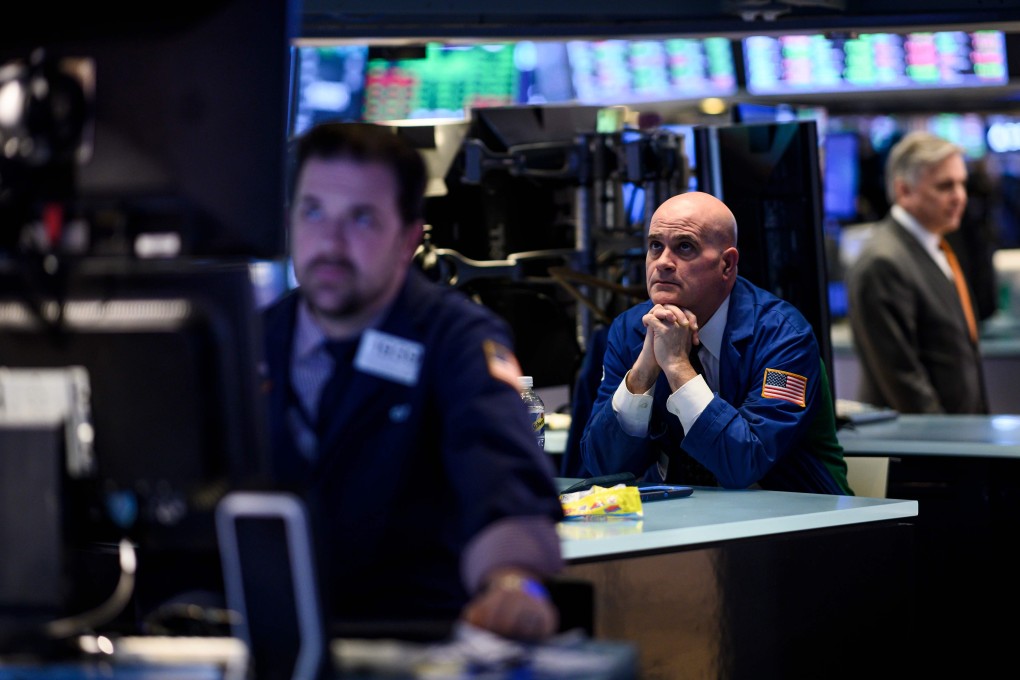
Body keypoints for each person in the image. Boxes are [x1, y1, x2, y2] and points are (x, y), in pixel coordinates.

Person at [261, 122, 565, 641]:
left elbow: (500, 474)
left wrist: (511, 581)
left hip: (413, 643)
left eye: (361, 218)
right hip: (265, 639)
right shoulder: (252, 341)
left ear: (407, 240)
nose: (330, 242)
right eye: (313, 212)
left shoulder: (456, 339)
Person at [579, 191, 851, 495]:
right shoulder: (631, 330)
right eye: (656, 246)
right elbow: (604, 467)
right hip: (686, 518)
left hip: (801, 516)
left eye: (685, 247)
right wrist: (642, 375)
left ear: (727, 264)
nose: (663, 262)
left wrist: (677, 366)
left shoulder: (783, 336)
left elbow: (744, 463)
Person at [845, 131, 989, 414]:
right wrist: (948, 441)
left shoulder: (936, 244)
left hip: (960, 432)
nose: (960, 196)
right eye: (945, 186)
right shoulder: (882, 262)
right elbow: (905, 383)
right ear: (904, 191)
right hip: (927, 438)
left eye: (962, 183)